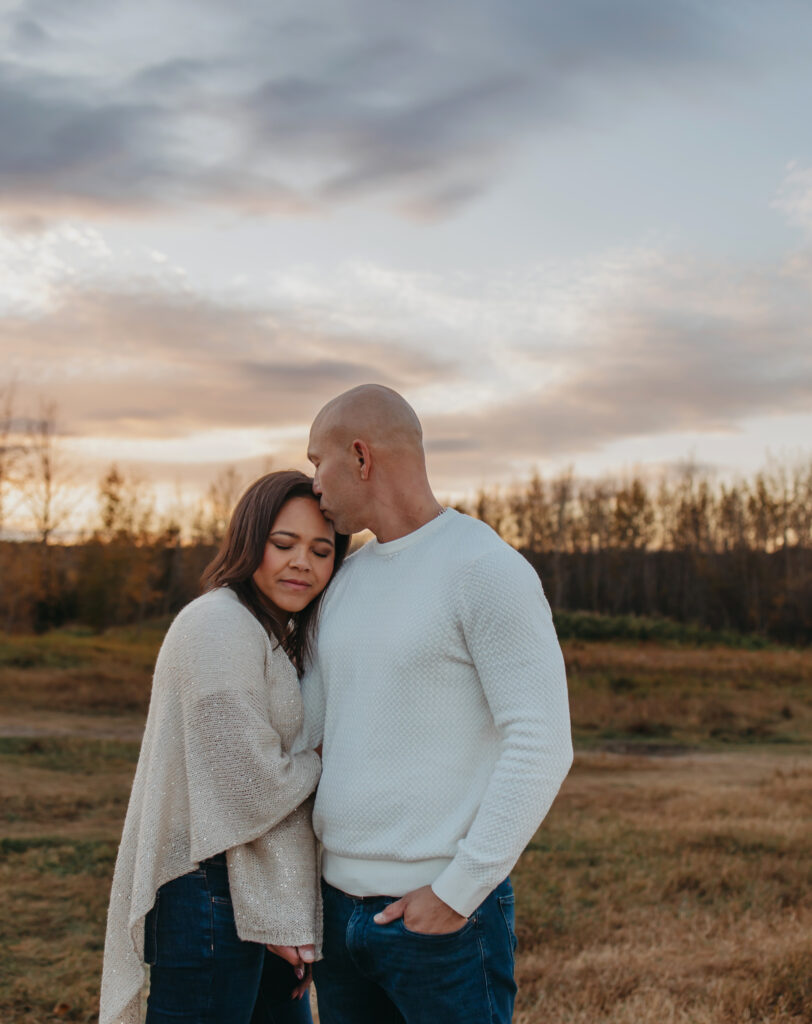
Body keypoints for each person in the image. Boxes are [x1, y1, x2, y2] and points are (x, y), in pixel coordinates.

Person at [300, 384, 573, 1024]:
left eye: (318, 462)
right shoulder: (345, 580)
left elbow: (541, 743)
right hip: (336, 913)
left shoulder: (484, 568)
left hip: (441, 924)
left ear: (361, 457)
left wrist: (458, 891)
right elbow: (309, 733)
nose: (313, 483)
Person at [100, 470, 349, 1024]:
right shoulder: (218, 623)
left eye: (321, 551)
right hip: (207, 891)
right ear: (249, 540)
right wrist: (322, 759)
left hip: (249, 889)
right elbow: (247, 783)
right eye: (283, 544)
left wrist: (284, 914)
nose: (302, 563)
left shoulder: (271, 630)